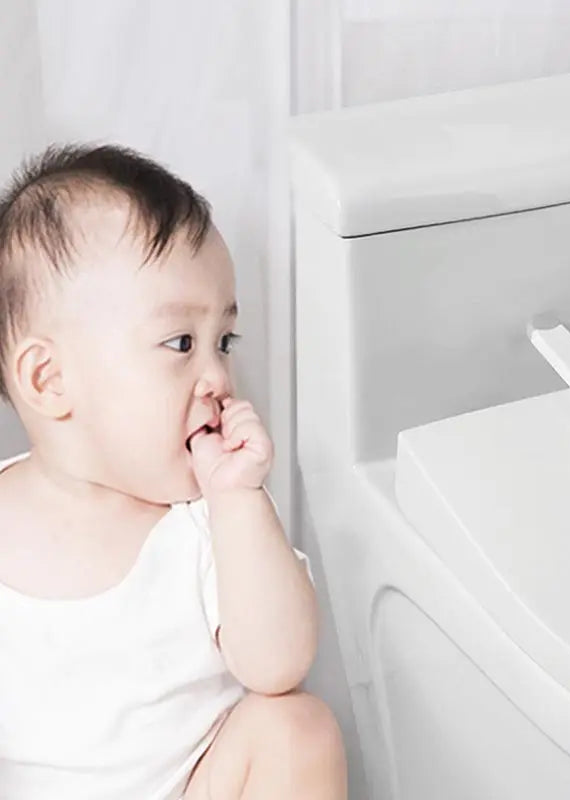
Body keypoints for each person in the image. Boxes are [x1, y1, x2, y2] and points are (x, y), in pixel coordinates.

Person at [0, 144, 347, 799]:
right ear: (49, 379)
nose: (217, 376)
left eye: (224, 342)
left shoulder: (205, 527)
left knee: (296, 727)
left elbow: (280, 663)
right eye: (181, 344)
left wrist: (239, 500)